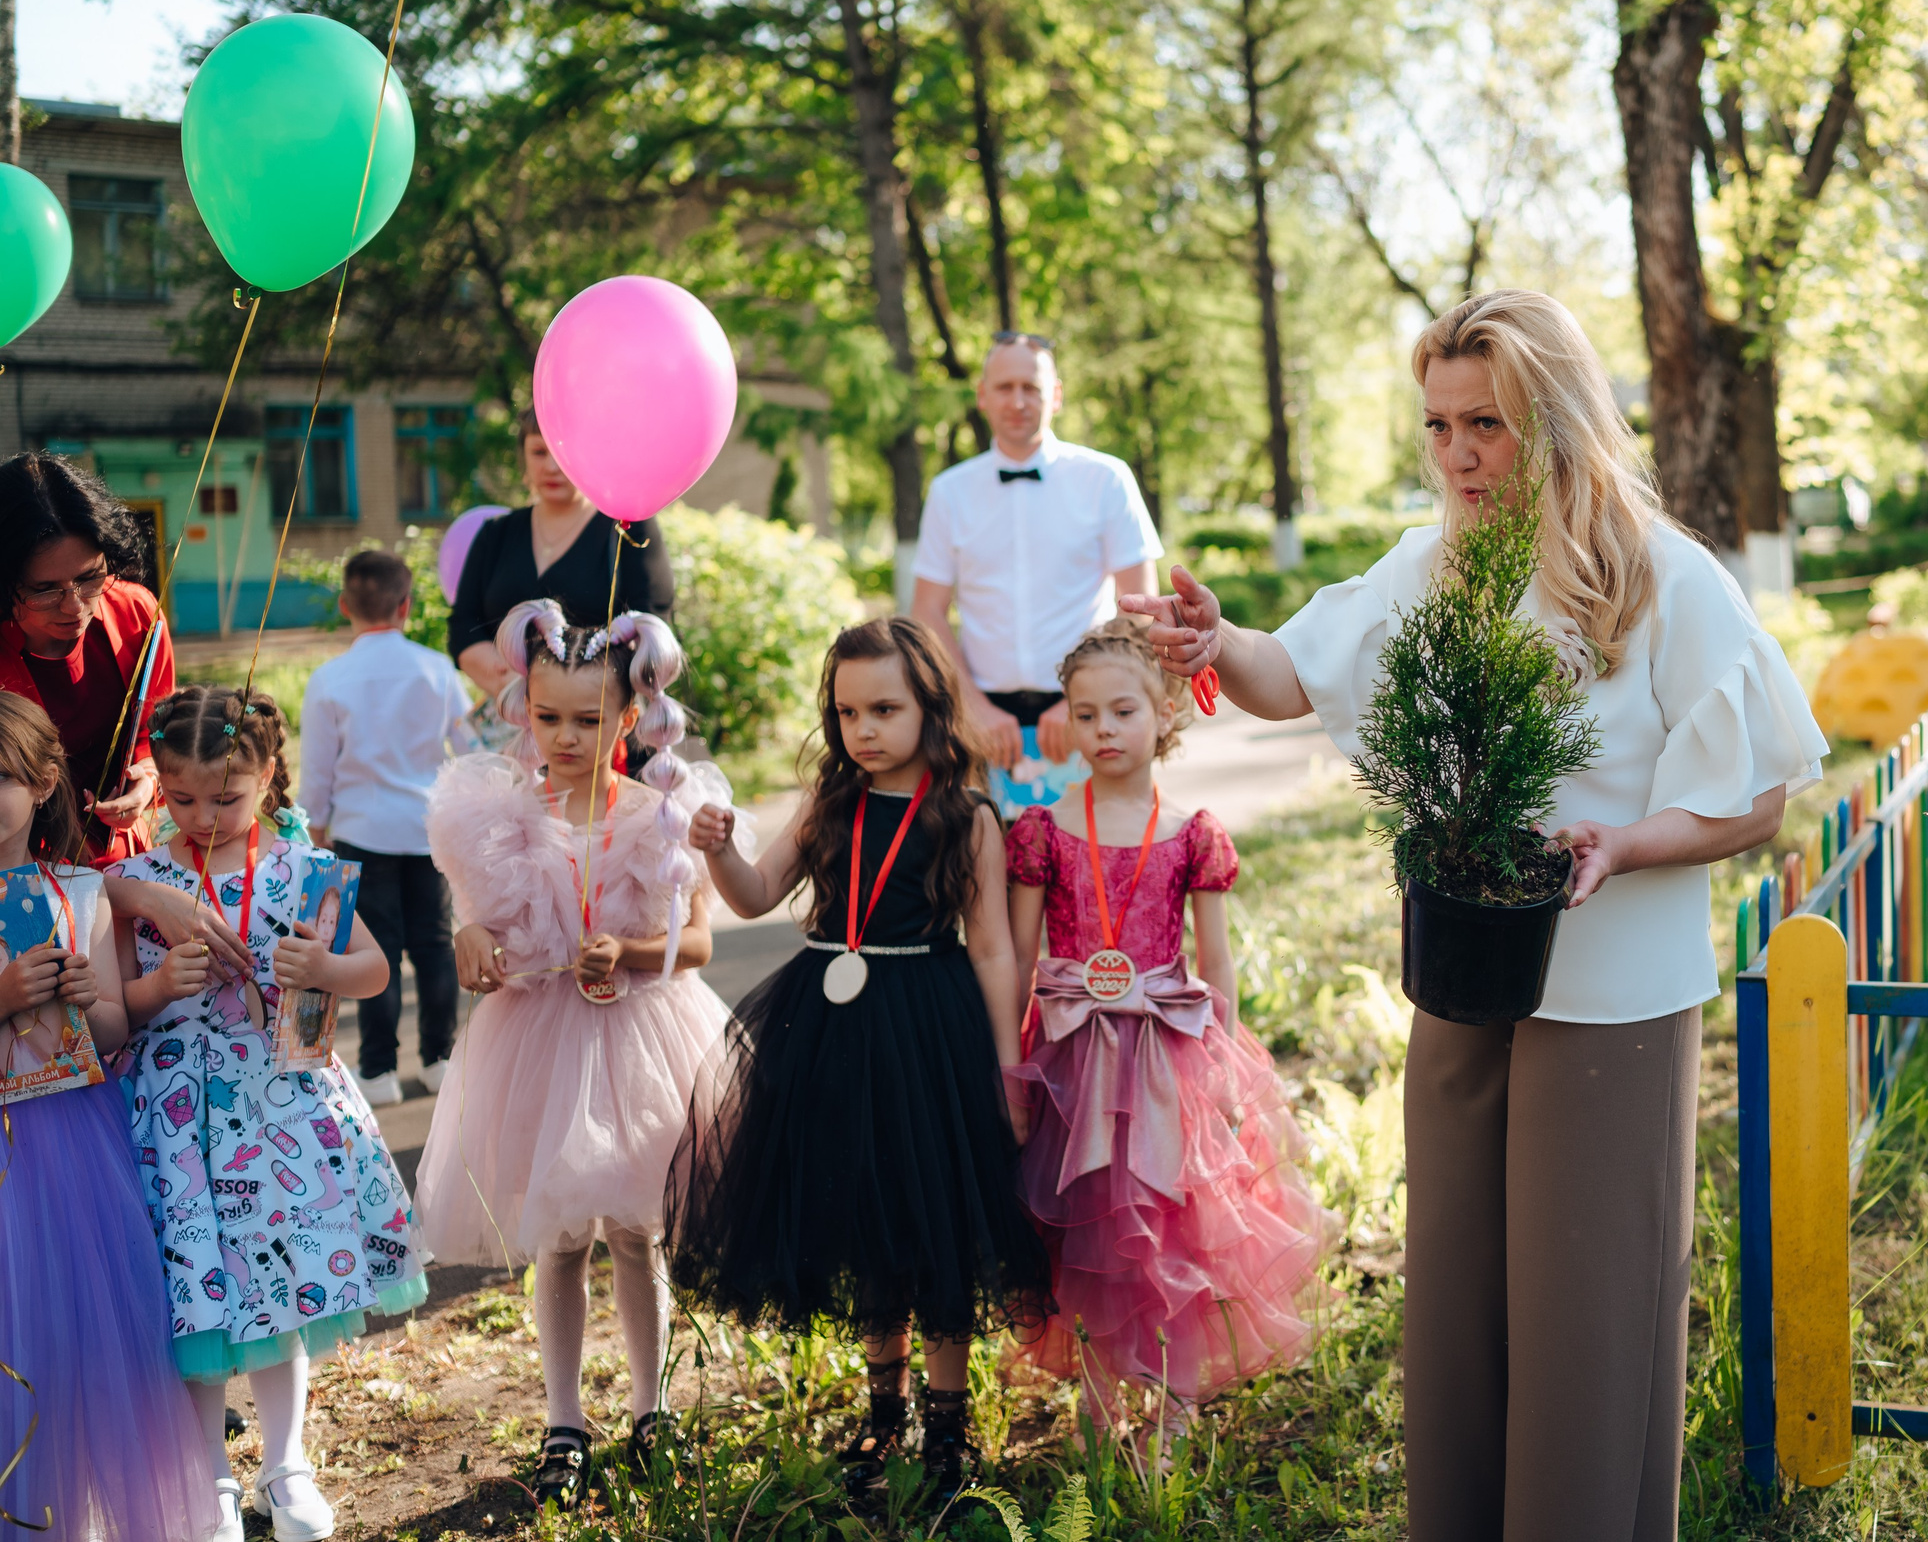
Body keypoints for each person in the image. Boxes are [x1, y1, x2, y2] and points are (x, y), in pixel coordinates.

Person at [1122, 290, 1829, 1541]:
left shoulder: (1666, 578)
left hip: (1610, 993)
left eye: (1487, 425)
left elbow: (1756, 796)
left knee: (1584, 1315)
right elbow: (1295, 672)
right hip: (1460, 976)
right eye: (1439, 425)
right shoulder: (1431, 561)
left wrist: (1627, 838)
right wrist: (1215, 637)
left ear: (1556, 422)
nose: (1457, 455)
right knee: (1458, 1304)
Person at [669, 617, 1050, 1503]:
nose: (864, 728)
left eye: (885, 707)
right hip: (833, 1029)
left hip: (929, 1032)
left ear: (932, 707)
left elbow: (995, 949)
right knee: (865, 1215)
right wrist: (720, 848)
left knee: (937, 1221)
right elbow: (758, 893)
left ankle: (948, 1425)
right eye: (846, 711)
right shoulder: (831, 805)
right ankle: (887, 1409)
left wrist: (1007, 1068)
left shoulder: (966, 816)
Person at [416, 601, 728, 1510]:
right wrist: (469, 937)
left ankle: (649, 1402)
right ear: (523, 708)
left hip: (639, 1036)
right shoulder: (494, 814)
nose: (562, 735)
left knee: (638, 1231)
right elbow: (475, 916)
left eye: (587, 720)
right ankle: (563, 1416)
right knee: (558, 1239)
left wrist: (631, 953)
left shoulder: (662, 813)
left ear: (628, 721)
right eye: (546, 716)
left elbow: (700, 940)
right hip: (541, 1035)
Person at [1003, 617, 1334, 1445]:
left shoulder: (1191, 831)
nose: (1104, 729)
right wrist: (1009, 1062)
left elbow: (1214, 965)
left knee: (1170, 1219)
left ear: (1165, 715)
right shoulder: (1044, 829)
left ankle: (1176, 1400)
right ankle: (1099, 1397)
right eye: (1085, 714)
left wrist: (1223, 1068)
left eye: (1122, 711)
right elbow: (1015, 957)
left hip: (1164, 1058)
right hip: (1072, 1060)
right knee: (1086, 1224)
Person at [109, 685, 427, 1542]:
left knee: (282, 1287)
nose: (204, 815)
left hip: (281, 1108)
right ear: (159, 785)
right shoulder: (136, 881)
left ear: (268, 773)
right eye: (180, 798)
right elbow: (111, 1010)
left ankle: (286, 1463)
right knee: (197, 1296)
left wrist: (324, 962)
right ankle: (209, 1474)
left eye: (227, 796)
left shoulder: (301, 865)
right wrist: (151, 989)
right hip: (178, 1125)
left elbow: (372, 972)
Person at [0, 692, 223, 1542]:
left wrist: (99, 1000)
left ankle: (75, 1517)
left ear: (43, 778)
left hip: (76, 1145)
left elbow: (109, 1034)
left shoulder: (82, 890)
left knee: (77, 1333)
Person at [910, 335, 1163, 817]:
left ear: (1058, 395)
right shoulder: (949, 492)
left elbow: (1140, 608)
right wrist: (972, 708)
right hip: (983, 722)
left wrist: (1079, 702)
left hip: (1087, 716)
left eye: (1032, 386)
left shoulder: (1106, 479)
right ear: (982, 396)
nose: (1019, 401)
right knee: (990, 874)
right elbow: (927, 612)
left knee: (1092, 869)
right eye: (1004, 387)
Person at [300, 549, 479, 1108]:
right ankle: (438, 1058)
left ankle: (378, 1069)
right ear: (406, 606)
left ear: (344, 606)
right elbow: (471, 748)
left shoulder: (329, 678)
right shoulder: (437, 669)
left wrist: (314, 828)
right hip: (429, 828)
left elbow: (318, 769)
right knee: (433, 945)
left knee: (370, 951)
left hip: (360, 829)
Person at [0, 451, 178, 862]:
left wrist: (148, 778)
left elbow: (157, 735)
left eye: (89, 577)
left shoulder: (136, 614)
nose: (75, 607)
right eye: (45, 589)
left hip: (127, 857)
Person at [446, 411, 676, 702]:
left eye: (564, 451)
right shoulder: (496, 534)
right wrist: (522, 687)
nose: (552, 466)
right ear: (523, 456)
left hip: (600, 722)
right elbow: (463, 627)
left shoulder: (627, 527)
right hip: (510, 722)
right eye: (539, 452)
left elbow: (653, 625)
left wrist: (565, 690)